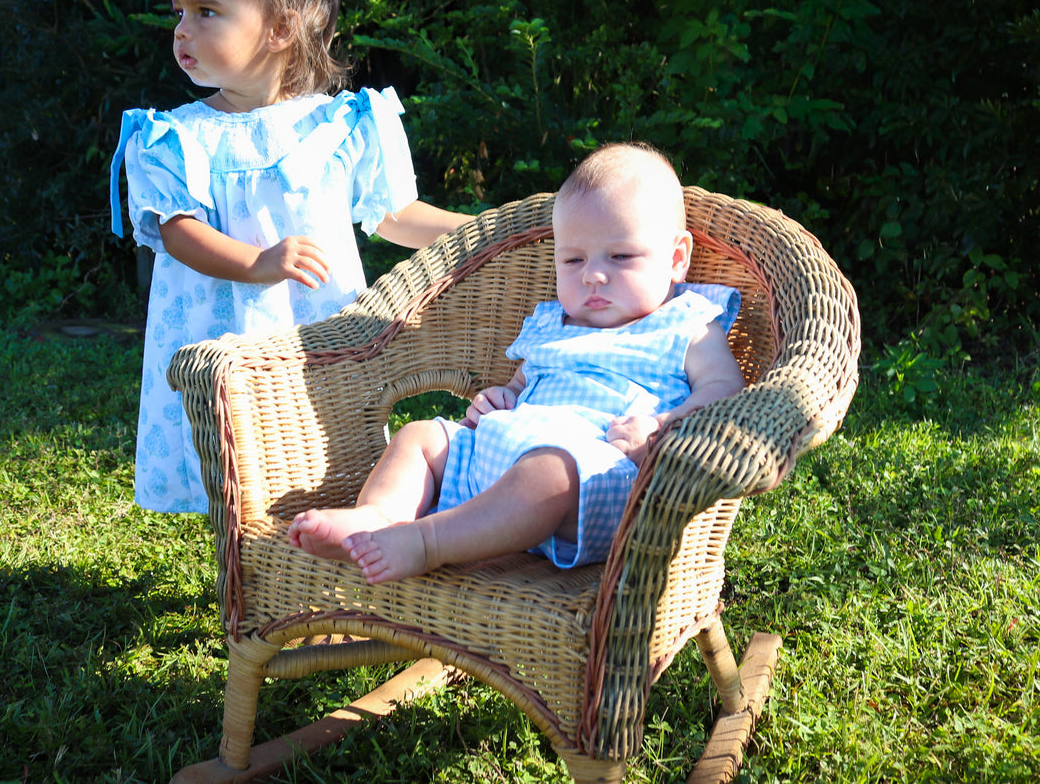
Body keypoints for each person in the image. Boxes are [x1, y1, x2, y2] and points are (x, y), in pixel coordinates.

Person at [108, 0, 471, 514]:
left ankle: (320, 553)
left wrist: (476, 230)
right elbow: (178, 232)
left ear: (280, 28)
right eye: (179, 12)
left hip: (315, 328)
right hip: (218, 339)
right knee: (235, 465)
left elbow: (391, 214)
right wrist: (257, 264)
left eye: (206, 11)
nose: (181, 29)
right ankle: (246, 570)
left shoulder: (342, 126)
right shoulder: (175, 137)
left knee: (317, 448)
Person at [287, 143, 747, 583]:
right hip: (504, 453)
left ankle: (426, 541)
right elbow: (521, 384)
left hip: (592, 478)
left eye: (621, 256)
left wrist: (663, 427)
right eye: (573, 259)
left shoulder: (686, 324)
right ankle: (378, 518)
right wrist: (500, 397)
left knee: (548, 473)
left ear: (676, 258)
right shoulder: (553, 324)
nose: (593, 274)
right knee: (421, 437)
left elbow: (724, 389)